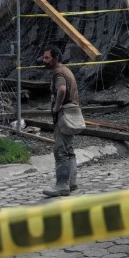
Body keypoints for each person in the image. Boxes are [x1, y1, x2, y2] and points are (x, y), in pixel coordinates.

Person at [41, 46, 84, 197]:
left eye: (47, 58)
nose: (43, 60)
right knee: (69, 149)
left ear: (56, 58)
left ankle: (62, 185)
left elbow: (62, 90)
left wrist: (57, 107)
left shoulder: (59, 73)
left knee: (61, 151)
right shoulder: (66, 70)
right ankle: (72, 184)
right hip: (72, 114)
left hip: (65, 115)